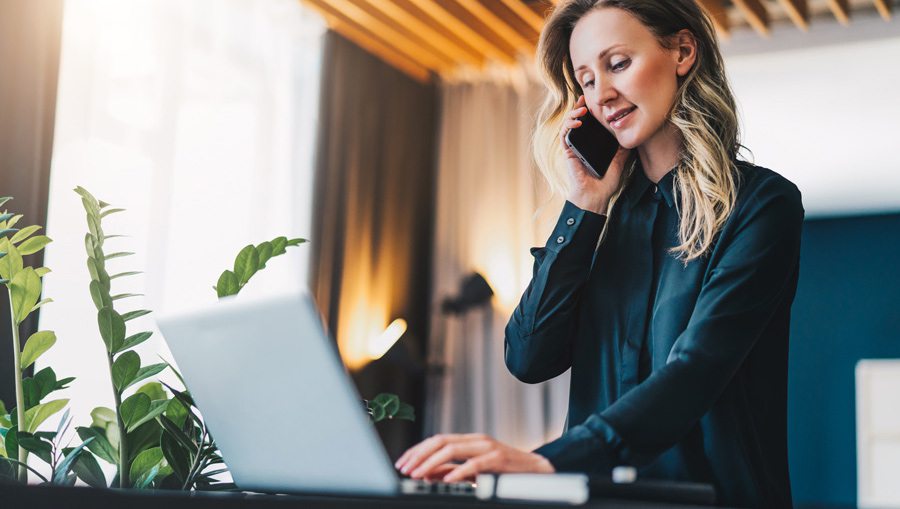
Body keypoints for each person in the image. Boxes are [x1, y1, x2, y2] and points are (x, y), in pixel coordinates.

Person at [395, 1, 803, 507]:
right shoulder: (599, 219)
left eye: (618, 64)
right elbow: (528, 356)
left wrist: (551, 461)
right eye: (586, 80)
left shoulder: (763, 206)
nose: (602, 94)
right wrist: (584, 205)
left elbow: (696, 372)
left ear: (682, 50)